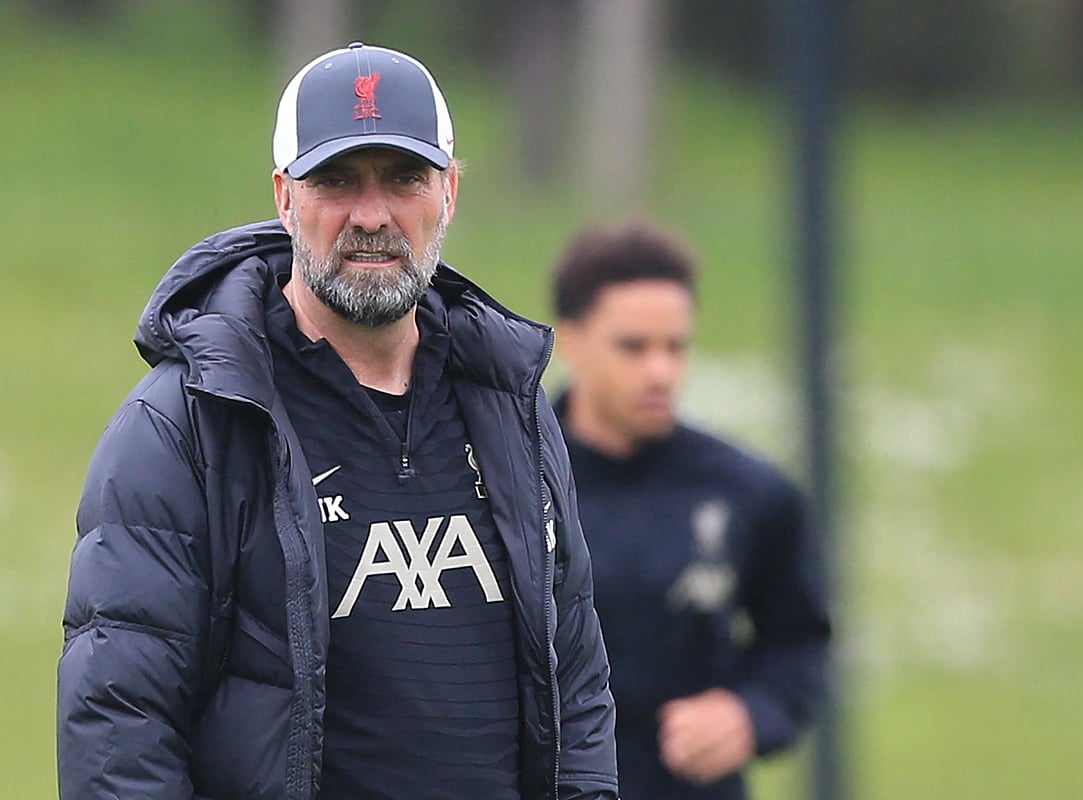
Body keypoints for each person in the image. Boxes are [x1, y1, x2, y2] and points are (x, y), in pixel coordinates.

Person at [58, 42, 617, 800]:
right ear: (284, 196)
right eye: (336, 181)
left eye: (404, 178)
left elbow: (576, 676)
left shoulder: (507, 400)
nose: (372, 215)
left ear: (449, 190)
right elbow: (118, 732)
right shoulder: (185, 427)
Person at [550, 222, 831, 800]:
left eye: (675, 346)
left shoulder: (746, 491)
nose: (660, 371)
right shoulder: (502, 480)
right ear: (571, 342)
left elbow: (800, 642)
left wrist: (750, 712)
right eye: (634, 347)